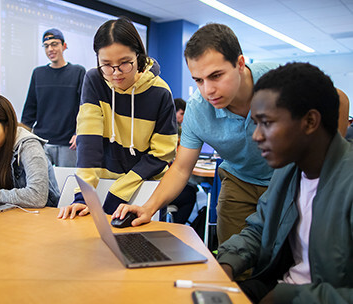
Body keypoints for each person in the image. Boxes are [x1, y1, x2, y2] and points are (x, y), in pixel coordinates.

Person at [113, 23, 349, 245]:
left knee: (289, 254)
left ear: (239, 64)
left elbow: (338, 99)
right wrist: (148, 207)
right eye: (198, 80)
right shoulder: (197, 110)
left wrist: (324, 174)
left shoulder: (276, 81)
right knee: (234, 257)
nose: (208, 90)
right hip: (241, 181)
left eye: (216, 76)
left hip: (289, 178)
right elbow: (182, 168)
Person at [217, 62, 353, 304]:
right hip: (276, 287)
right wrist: (227, 263)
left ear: (310, 122)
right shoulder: (288, 170)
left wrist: (287, 299)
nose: (256, 137)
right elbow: (259, 229)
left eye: (266, 123)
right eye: (256, 124)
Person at [58, 17, 177, 219]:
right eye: (106, 64)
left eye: (125, 63)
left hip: (144, 188)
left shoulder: (160, 92)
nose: (115, 73)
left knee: (137, 247)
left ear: (138, 55)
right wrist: (83, 196)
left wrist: (119, 193)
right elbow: (89, 141)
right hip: (103, 183)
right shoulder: (94, 80)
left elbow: (162, 154)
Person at [21, 28, 86, 167]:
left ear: (64, 46)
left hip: (68, 144)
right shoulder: (38, 74)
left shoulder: (78, 72)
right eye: (46, 45)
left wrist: (79, 132)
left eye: (54, 44)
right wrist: (22, 138)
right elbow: (29, 110)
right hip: (42, 142)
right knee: (42, 185)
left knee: (67, 186)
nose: (50, 49)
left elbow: (84, 107)